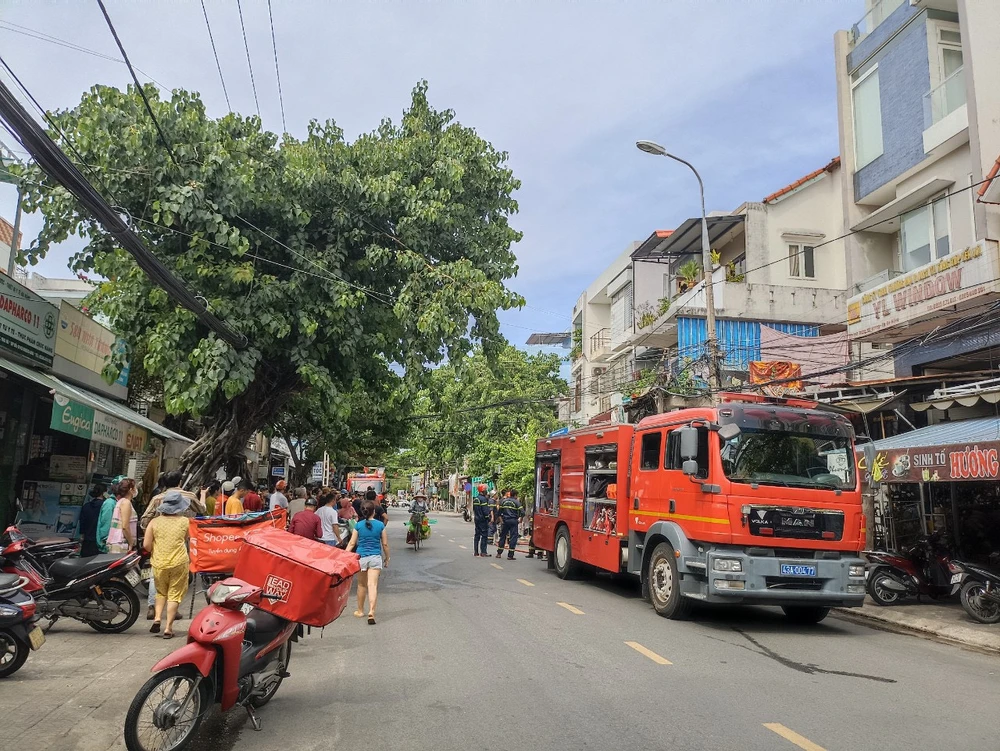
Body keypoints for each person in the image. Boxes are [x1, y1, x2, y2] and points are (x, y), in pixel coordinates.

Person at [140, 470, 203, 620]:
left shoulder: (157, 498)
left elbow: (144, 520)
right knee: (177, 578)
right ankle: (172, 610)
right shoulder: (189, 497)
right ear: (180, 482)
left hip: (159, 540)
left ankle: (152, 607)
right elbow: (202, 511)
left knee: (157, 574)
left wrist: (153, 530)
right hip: (181, 541)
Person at [143, 490, 191, 638]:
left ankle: (157, 618)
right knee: (174, 595)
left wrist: (155, 551)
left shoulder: (154, 522)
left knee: (161, 592)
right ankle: (168, 628)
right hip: (179, 562)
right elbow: (188, 539)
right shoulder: (185, 521)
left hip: (159, 563)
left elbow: (146, 545)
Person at [345, 500, 389, 625]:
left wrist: (344, 556)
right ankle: (371, 611)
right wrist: (387, 558)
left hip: (362, 558)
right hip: (375, 557)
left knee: (361, 585)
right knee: (372, 585)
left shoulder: (358, 525)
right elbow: (385, 544)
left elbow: (352, 543)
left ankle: (360, 610)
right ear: (374, 512)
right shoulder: (381, 525)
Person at [106, 478, 138, 554]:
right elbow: (125, 527)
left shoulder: (121, 501)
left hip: (118, 542)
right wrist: (131, 542)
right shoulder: (126, 503)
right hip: (121, 543)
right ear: (131, 489)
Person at [78, 483, 107, 557]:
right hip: (100, 542)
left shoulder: (86, 506)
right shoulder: (106, 507)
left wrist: (82, 536)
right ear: (104, 493)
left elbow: (82, 523)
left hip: (87, 541)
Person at [495, 489, 524, 560]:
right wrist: (520, 520)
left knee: (503, 536)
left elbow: (499, 513)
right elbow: (522, 513)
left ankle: (499, 553)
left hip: (505, 521)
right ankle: (510, 555)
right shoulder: (517, 502)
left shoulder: (504, 501)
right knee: (513, 537)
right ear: (515, 495)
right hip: (513, 521)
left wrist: (501, 521)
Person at [96, 481, 121, 554]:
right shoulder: (110, 503)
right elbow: (106, 526)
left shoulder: (117, 502)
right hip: (107, 545)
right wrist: (105, 542)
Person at [473, 489, 491, 557]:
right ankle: (483, 552)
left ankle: (476, 552)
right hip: (482, 520)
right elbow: (485, 511)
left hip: (477, 519)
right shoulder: (483, 499)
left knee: (477, 535)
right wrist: (488, 518)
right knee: (484, 536)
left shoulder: (476, 499)